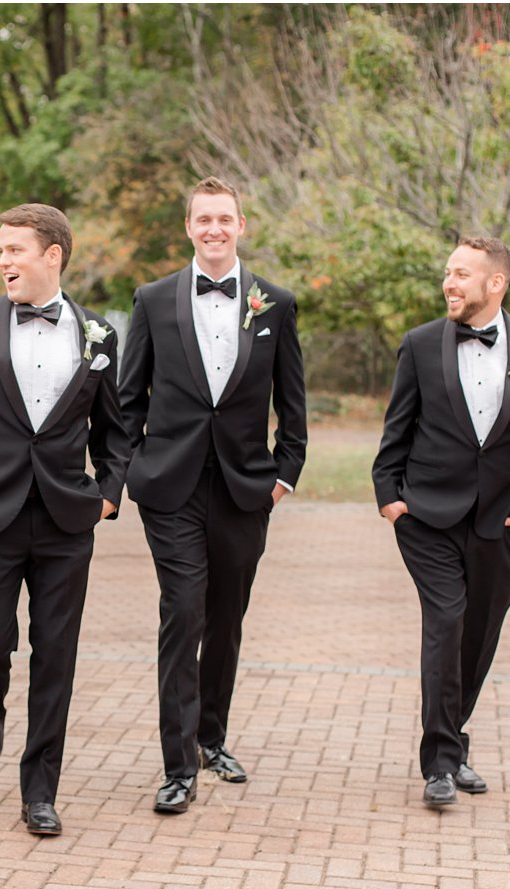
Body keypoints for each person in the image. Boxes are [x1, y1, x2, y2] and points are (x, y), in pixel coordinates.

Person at [0, 203, 129, 836]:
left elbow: (116, 432)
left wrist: (109, 493)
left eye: (15, 249)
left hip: (68, 519)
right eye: (0, 250)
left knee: (56, 656)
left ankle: (39, 789)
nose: (3, 260)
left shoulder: (99, 335)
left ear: (53, 255)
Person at [118, 176, 306, 814]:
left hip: (244, 488)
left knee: (226, 618)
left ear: (242, 225)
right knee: (184, 611)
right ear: (189, 227)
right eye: (203, 219)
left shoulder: (275, 305)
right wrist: (133, 468)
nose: (214, 229)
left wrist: (284, 474)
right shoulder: (153, 298)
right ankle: (178, 768)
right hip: (170, 487)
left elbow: (293, 401)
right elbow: (127, 399)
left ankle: (211, 737)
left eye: (224, 219)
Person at [371, 236, 510, 808]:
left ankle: (453, 740)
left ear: (496, 283)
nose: (450, 284)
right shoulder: (420, 344)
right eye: (448, 273)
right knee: (448, 622)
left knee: (480, 636)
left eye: (462, 274)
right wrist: (391, 498)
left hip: (501, 523)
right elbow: (397, 431)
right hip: (426, 517)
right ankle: (438, 762)